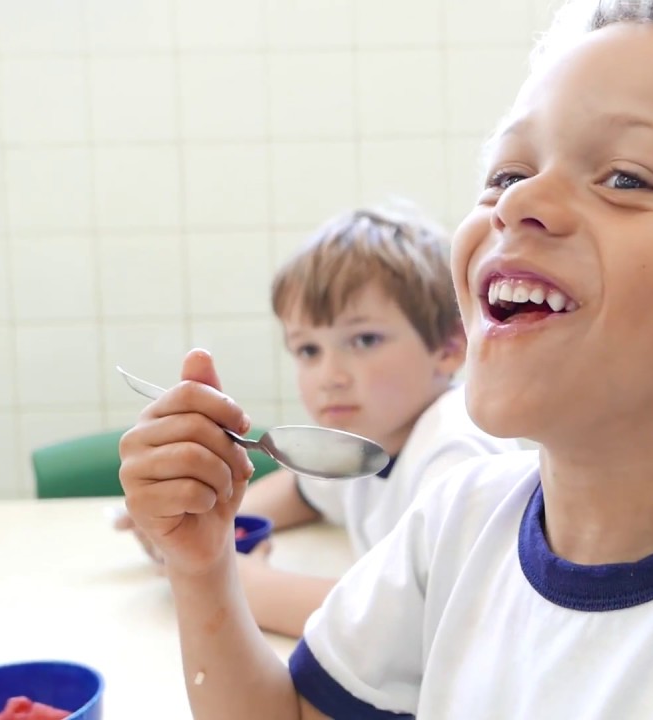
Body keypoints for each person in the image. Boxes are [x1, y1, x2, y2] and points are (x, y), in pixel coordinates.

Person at [116, 0, 653, 717]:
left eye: (625, 178)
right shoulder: (457, 524)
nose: (519, 202)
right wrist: (203, 568)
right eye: (507, 172)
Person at [118, 205, 521, 638]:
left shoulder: (456, 453)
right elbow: (303, 491)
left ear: (450, 347)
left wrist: (228, 579)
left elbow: (409, 623)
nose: (330, 377)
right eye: (308, 350)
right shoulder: (369, 439)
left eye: (364, 340)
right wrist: (195, 521)